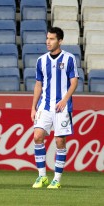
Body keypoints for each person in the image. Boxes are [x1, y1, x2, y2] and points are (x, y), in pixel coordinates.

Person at [31, 27, 78, 189]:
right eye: (47, 38)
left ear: (60, 41)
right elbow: (38, 84)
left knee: (59, 141)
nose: (48, 42)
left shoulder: (69, 59)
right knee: (37, 136)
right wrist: (33, 107)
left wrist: (65, 100)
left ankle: (56, 179)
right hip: (45, 106)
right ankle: (42, 176)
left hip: (61, 107)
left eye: (51, 39)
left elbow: (74, 82)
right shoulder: (41, 60)